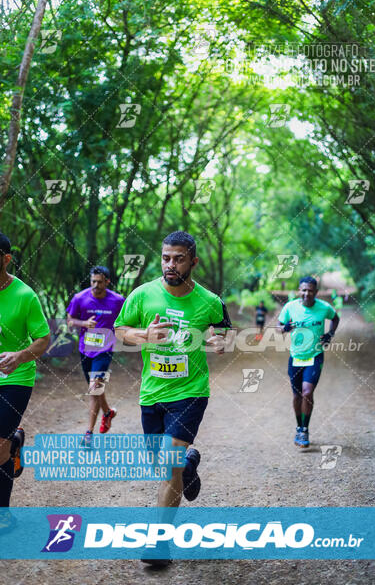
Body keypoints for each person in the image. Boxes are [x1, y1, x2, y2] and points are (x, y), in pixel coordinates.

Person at [114, 231, 231, 566]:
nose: (171, 264)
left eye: (179, 258)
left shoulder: (208, 300)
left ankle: (159, 544)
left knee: (168, 463)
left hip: (190, 392)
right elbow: (120, 331)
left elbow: (223, 330)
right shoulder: (143, 295)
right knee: (164, 465)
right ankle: (189, 466)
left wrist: (219, 342)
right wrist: (144, 335)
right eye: (166, 257)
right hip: (152, 394)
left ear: (193, 261)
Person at [0, 233, 50, 516]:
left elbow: (43, 339)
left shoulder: (24, 295)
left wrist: (18, 357)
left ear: (6, 259)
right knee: (4, 446)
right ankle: (14, 442)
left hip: (14, 379)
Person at [277, 276, 339, 448]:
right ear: (299, 291)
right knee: (297, 396)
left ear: (316, 292)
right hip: (296, 357)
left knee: (307, 392)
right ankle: (299, 426)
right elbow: (279, 327)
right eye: (303, 290)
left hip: (315, 355)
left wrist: (329, 335)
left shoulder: (323, 307)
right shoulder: (290, 307)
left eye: (310, 290)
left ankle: (305, 429)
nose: (306, 293)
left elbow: (336, 318)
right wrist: (285, 328)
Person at [67, 266, 124, 446]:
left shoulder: (117, 301)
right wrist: (84, 323)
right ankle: (107, 412)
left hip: (105, 349)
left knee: (94, 387)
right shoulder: (80, 298)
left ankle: (88, 433)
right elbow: (70, 321)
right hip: (85, 349)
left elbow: (126, 320)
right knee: (96, 388)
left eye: (100, 282)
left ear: (107, 281)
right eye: (93, 281)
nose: (96, 285)